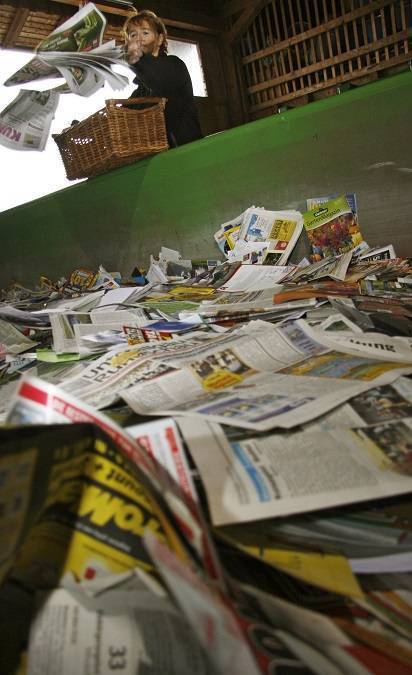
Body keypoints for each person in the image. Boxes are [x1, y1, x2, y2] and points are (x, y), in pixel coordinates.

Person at [124, 10, 203, 148]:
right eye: (133, 35)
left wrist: (138, 60)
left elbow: (159, 80)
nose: (138, 39)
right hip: (162, 158)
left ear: (160, 39)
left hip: (186, 151)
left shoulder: (174, 65)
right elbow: (125, 113)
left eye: (145, 33)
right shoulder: (141, 89)